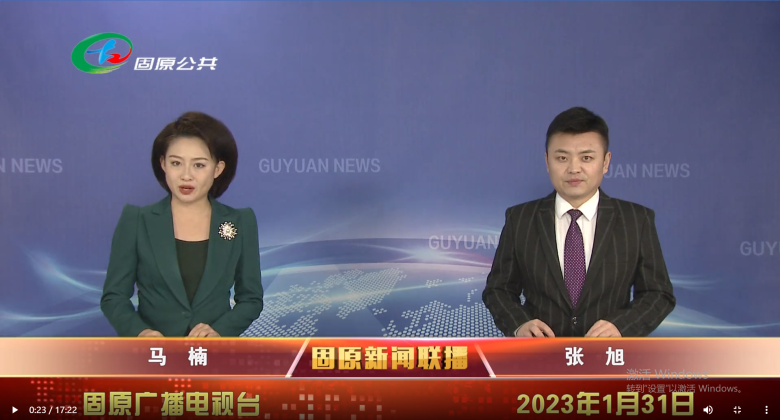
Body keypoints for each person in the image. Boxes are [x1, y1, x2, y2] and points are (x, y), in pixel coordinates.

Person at [483, 107, 675, 337]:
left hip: (609, 355)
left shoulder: (636, 220)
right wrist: (519, 324)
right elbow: (498, 289)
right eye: (562, 158)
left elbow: (658, 293)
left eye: (586, 158)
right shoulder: (520, 219)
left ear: (606, 162)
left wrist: (622, 326)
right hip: (540, 353)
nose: (574, 169)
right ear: (547, 161)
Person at [100, 112, 263, 337]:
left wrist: (220, 331)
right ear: (163, 164)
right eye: (176, 163)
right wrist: (140, 332)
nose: (186, 176)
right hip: (155, 353)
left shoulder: (241, 222)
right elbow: (114, 297)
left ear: (218, 169)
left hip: (212, 354)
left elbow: (251, 299)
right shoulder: (136, 220)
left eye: (199, 165)